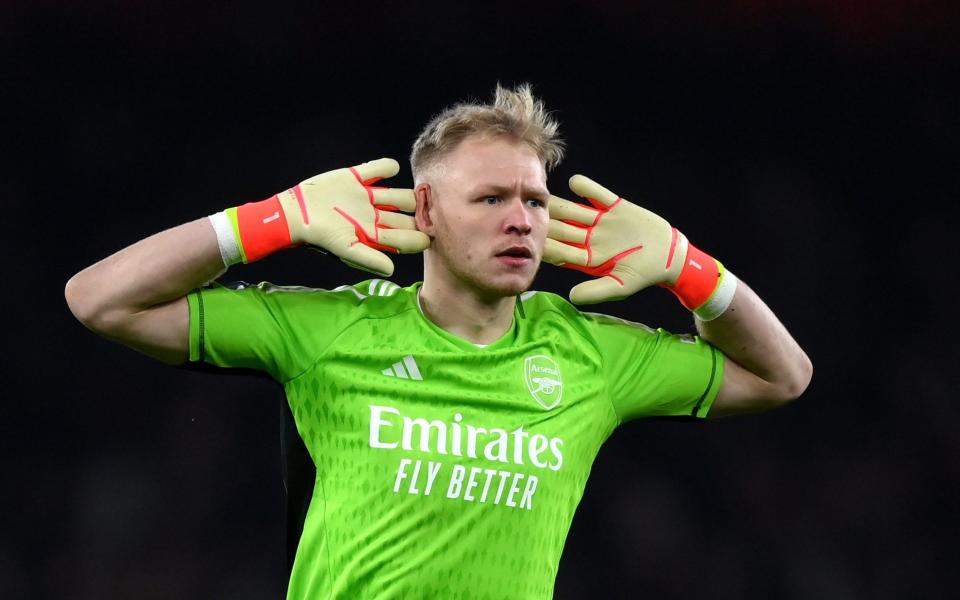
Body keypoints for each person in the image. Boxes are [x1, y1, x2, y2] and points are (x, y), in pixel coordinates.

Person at [65, 84, 812, 599]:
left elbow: (782, 377)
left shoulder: (590, 354)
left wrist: (691, 270)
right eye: (490, 199)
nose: (520, 219)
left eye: (533, 201)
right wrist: (272, 221)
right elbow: (100, 299)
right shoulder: (333, 328)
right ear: (425, 210)